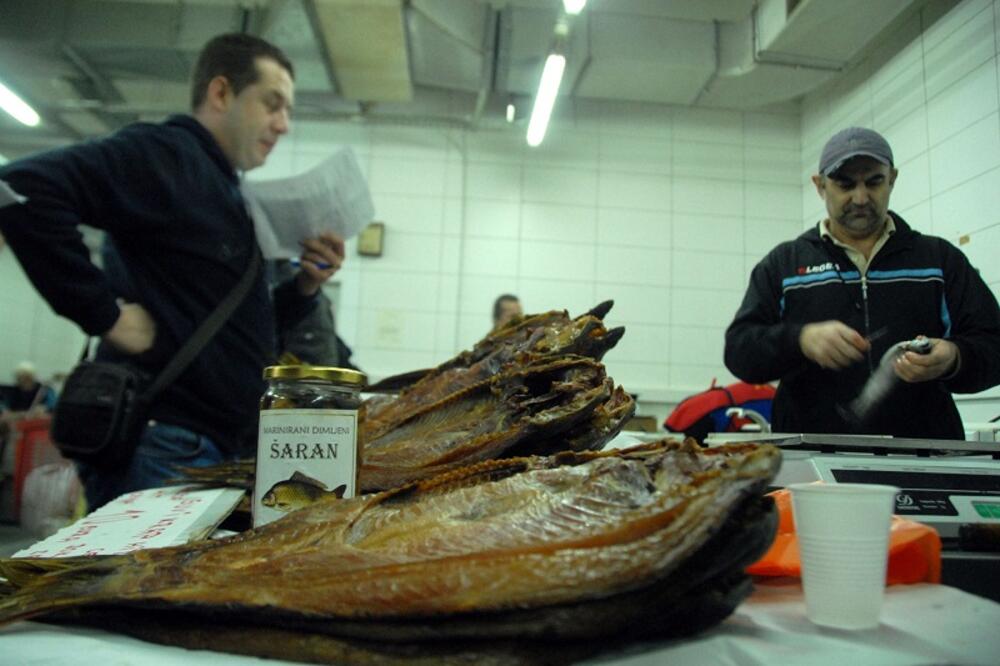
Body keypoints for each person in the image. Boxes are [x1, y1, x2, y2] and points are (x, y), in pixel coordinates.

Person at [0, 33, 344, 509]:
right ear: (221, 93)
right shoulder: (167, 156)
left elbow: (231, 327)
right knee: (144, 586)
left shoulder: (224, 189)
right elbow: (21, 189)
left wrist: (304, 286)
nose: (283, 124)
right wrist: (106, 316)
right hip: (164, 447)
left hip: (205, 448)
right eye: (272, 104)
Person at [724, 127, 1000, 440]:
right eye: (845, 184)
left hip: (923, 457)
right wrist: (799, 339)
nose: (860, 197)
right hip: (812, 459)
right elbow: (739, 350)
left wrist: (954, 357)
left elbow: (993, 345)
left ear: (892, 179)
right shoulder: (785, 264)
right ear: (820, 185)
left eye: (874, 182)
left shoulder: (938, 260)